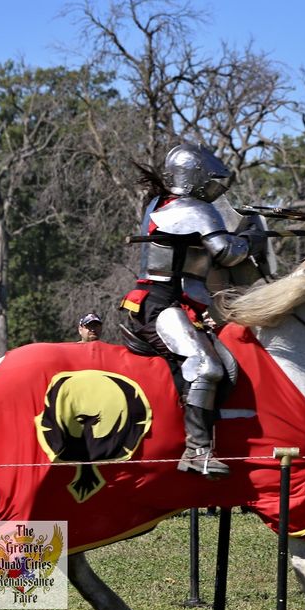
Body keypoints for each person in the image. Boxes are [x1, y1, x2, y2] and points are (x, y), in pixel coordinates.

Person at [119, 142, 264, 479]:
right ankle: (196, 451)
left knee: (228, 366)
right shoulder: (191, 208)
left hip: (175, 301)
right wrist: (255, 237)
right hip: (159, 302)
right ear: (196, 177)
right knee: (206, 367)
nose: (215, 185)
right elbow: (226, 253)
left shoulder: (164, 203)